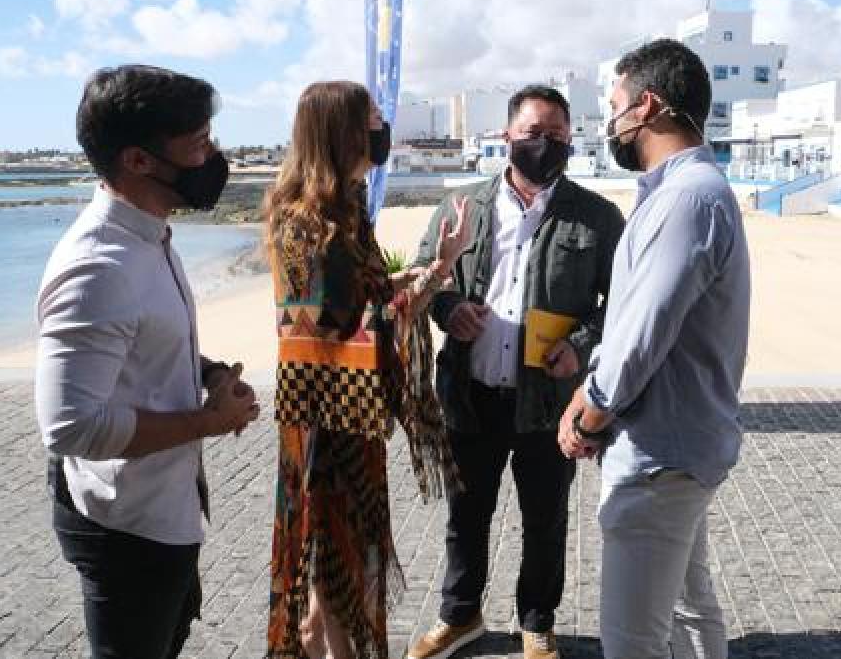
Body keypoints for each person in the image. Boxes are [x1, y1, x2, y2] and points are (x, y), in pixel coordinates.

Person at [34, 64, 261, 659]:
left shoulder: (149, 237)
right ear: (138, 160)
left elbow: (150, 346)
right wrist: (207, 422)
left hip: (166, 506)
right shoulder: (98, 267)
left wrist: (210, 376)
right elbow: (71, 427)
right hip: (125, 525)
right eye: (199, 144)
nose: (214, 157)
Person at [407, 85, 625, 659]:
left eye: (556, 134)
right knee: (466, 516)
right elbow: (422, 276)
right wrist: (448, 309)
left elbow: (625, 303)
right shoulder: (463, 206)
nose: (544, 143)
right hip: (470, 396)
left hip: (548, 404)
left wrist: (581, 342)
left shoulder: (597, 217)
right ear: (506, 136)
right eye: (532, 132)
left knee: (545, 520)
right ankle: (460, 617)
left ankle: (537, 621)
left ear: (571, 139)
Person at [558, 38, 751, 659]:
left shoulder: (686, 199)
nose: (609, 122)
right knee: (693, 616)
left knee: (632, 642)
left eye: (615, 105)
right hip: (676, 452)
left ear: (647, 106)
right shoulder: (688, 193)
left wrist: (589, 411)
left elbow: (641, 335)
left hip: (657, 458)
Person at [264, 81, 468, 659]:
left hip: (351, 417)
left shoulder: (346, 208)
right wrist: (427, 281)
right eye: (372, 119)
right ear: (340, 130)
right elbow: (327, 334)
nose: (382, 130)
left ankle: (325, 642)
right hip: (322, 421)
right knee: (331, 555)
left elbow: (368, 299)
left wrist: (436, 266)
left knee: (341, 555)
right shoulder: (302, 221)